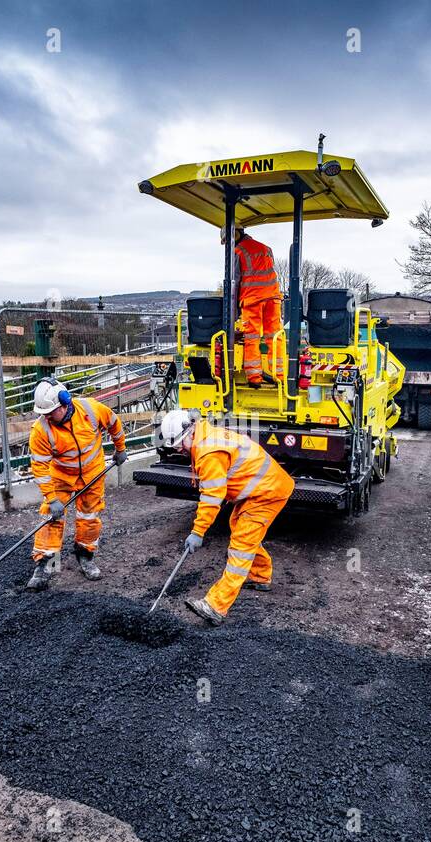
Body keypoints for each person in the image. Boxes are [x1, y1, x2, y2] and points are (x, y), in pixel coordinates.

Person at [157, 409, 294, 625]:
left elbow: (212, 496)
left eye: (178, 446)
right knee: (238, 528)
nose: (179, 451)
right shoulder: (205, 435)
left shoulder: (209, 452)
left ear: (188, 434)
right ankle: (260, 575)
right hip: (260, 489)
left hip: (267, 492)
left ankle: (216, 606)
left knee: (241, 544)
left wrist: (197, 531)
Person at [27, 378, 128, 590]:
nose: (46, 416)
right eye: (43, 413)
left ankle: (85, 556)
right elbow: (40, 468)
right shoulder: (41, 430)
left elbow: (114, 423)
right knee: (51, 518)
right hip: (61, 478)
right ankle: (47, 565)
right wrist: (52, 498)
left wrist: (120, 449)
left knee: (89, 517)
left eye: (50, 412)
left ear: (65, 403)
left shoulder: (91, 410)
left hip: (92, 475)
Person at [225, 224, 284, 387]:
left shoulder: (238, 252)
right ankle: (280, 376)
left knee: (252, 338)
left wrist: (233, 310)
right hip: (273, 297)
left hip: (252, 300)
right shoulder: (266, 249)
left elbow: (235, 282)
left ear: (235, 235)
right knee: (275, 337)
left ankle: (254, 378)